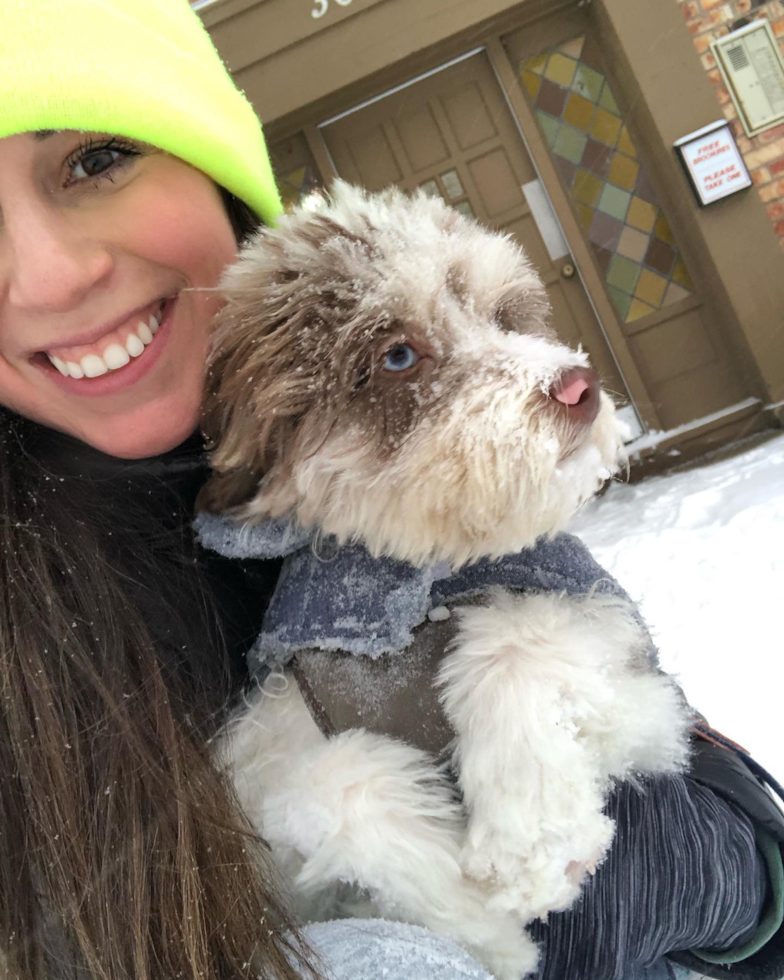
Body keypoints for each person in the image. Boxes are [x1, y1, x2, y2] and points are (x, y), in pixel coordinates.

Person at [0, 2, 781, 979]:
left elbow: (742, 854)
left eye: (95, 157)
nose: (52, 276)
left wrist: (724, 865)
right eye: (401, 355)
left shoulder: (455, 515)